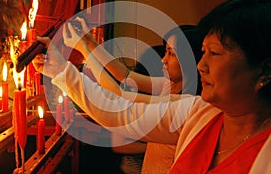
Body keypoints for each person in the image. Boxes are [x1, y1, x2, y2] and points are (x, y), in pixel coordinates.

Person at [33, 0, 271, 173]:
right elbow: (121, 110)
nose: (201, 65)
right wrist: (60, 68)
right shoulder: (199, 111)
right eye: (203, 52)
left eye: (215, 54)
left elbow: (119, 91)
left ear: (265, 70)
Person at [63, 20, 203, 173]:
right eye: (165, 52)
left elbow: (118, 94)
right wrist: (90, 43)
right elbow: (125, 75)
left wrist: (84, 50)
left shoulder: (187, 102)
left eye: (171, 53)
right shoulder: (167, 84)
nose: (163, 60)